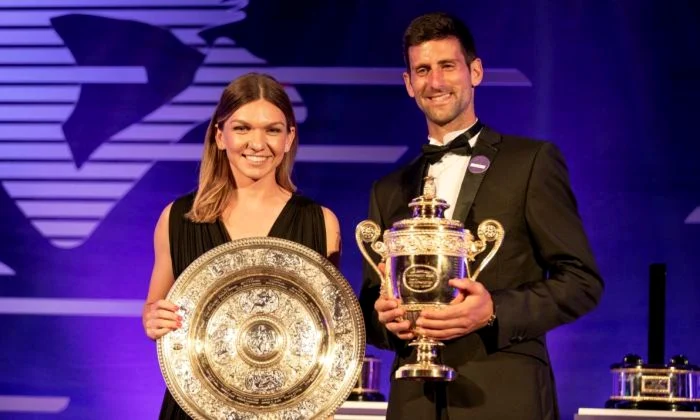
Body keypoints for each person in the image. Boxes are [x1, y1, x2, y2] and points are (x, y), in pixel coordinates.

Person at [359, 12, 604, 420]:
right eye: (422, 70)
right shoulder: (388, 190)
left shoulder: (530, 163)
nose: (434, 82)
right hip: (414, 404)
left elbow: (581, 282)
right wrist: (386, 321)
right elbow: (372, 300)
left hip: (504, 398)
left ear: (475, 71)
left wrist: (492, 311)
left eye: (447, 66)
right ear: (408, 84)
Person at [142, 72, 341, 419]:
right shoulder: (177, 219)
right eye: (242, 128)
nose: (258, 143)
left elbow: (332, 332)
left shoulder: (321, 223)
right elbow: (155, 311)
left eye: (273, 130)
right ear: (220, 136)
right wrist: (153, 319)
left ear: (290, 137)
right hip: (194, 408)